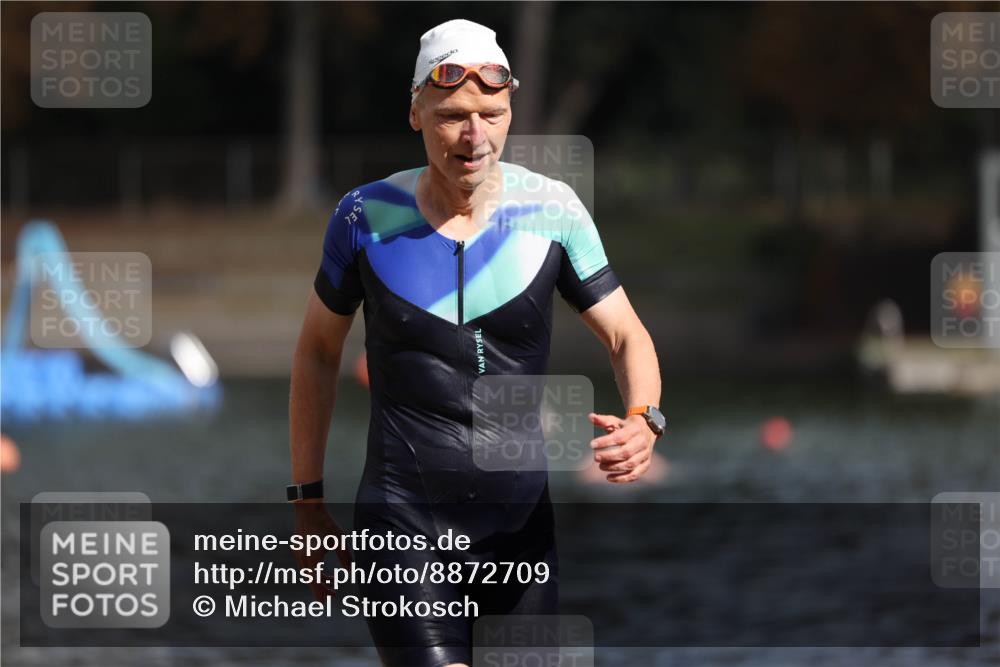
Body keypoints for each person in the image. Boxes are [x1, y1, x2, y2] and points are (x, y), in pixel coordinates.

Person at [288, 18, 664, 667]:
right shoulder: (364, 217)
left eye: (491, 113)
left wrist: (645, 417)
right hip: (401, 519)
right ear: (416, 112)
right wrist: (308, 505)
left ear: (509, 108)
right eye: (453, 115)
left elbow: (628, 334)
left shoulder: (554, 212)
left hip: (518, 530)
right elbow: (318, 351)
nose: (474, 136)